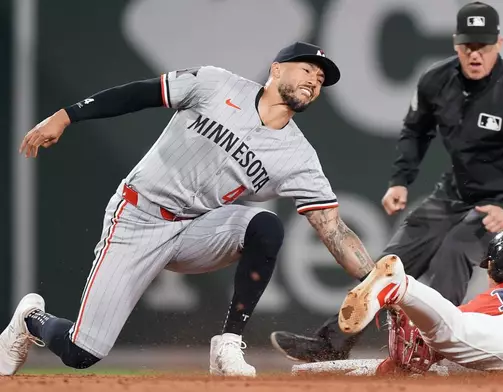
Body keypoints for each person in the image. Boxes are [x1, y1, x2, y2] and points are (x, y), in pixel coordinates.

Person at [0, 41, 378, 378]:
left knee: (265, 227)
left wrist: (380, 286)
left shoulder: (299, 157)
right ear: (276, 69)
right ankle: (31, 319)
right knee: (81, 352)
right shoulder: (216, 84)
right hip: (137, 217)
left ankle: (228, 343)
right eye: (307, 68)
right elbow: (139, 94)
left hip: (195, 229)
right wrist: (67, 115)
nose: (315, 79)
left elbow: (333, 229)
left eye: (321, 78)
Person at [270, 1, 503, 362]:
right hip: (456, 193)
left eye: (483, 46)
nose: (475, 54)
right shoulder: (437, 81)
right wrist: (401, 180)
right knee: (392, 260)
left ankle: (430, 349)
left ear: (498, 44)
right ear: (456, 43)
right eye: (468, 45)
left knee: (454, 250)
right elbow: (415, 131)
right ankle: (333, 342)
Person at [338, 228, 503, 380]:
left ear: (492, 270)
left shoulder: (490, 300)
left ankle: (405, 286)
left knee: (455, 330)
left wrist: (392, 367)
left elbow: (441, 340)